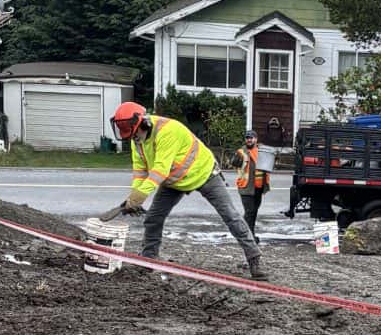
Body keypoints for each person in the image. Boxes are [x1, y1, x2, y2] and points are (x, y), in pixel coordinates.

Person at [109, 102, 265, 279]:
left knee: (230, 216)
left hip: (204, 174)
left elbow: (160, 169)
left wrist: (139, 196)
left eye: (135, 134)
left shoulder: (168, 131)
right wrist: (135, 196)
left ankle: (254, 258)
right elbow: (140, 170)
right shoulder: (136, 141)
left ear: (143, 124)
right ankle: (148, 259)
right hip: (174, 181)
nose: (134, 139)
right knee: (153, 218)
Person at [234, 130, 271, 234]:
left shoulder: (261, 151)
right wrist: (236, 158)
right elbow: (234, 163)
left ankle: (250, 233)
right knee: (249, 212)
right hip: (246, 187)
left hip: (258, 188)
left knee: (253, 212)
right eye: (247, 138)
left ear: (256, 139)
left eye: (251, 138)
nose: (249, 140)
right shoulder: (241, 152)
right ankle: (246, 235)